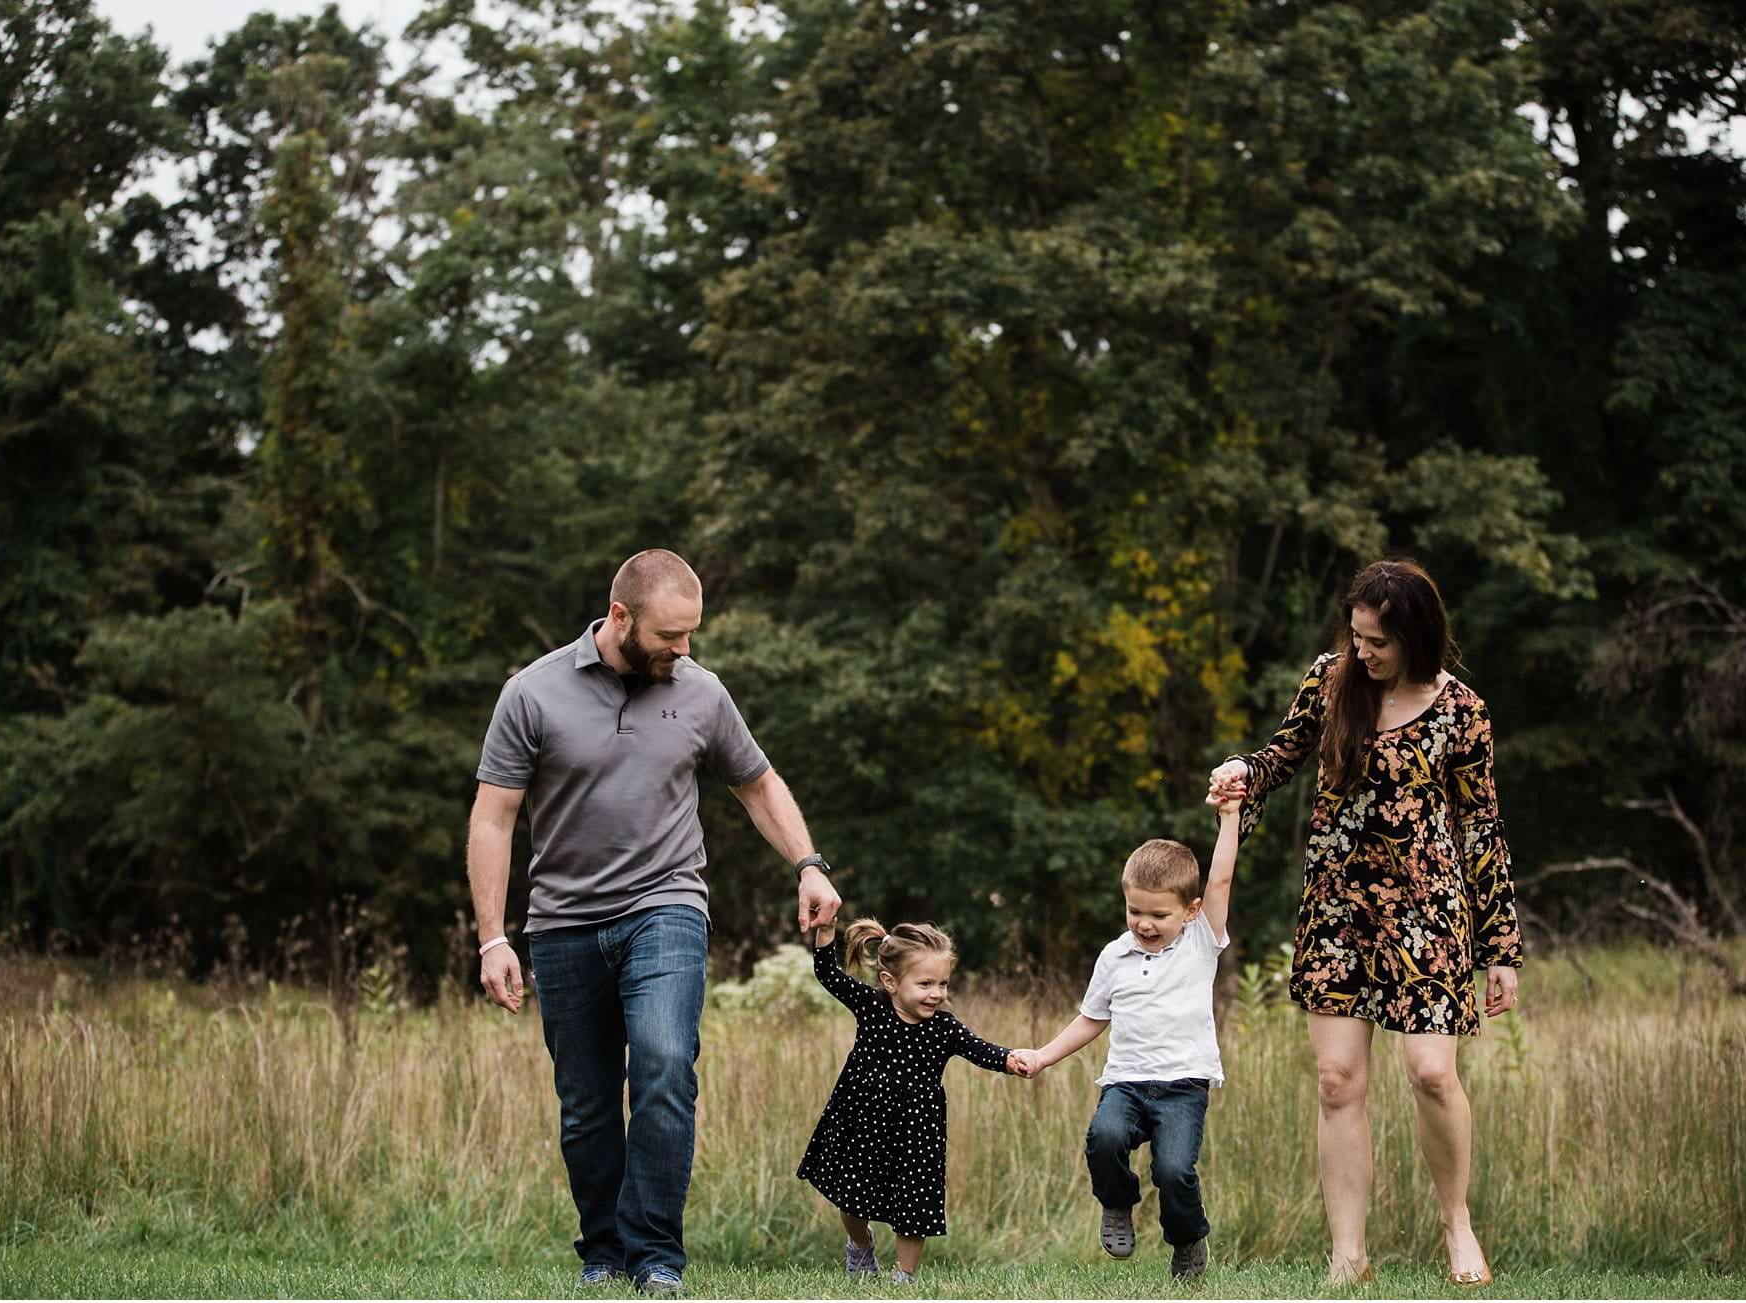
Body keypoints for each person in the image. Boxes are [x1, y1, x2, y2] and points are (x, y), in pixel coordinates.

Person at [466, 548, 842, 1296]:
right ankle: (603, 1248)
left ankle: (657, 1255)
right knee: (587, 1103)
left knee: (666, 1063)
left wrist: (808, 862)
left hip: (665, 906)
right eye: (671, 635)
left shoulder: (700, 693)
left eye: (692, 634)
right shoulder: (532, 694)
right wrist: (494, 936)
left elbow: (757, 783)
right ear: (620, 617)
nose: (685, 649)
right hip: (563, 922)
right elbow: (493, 817)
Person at [1207, 557, 1522, 1290]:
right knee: (1337, 1079)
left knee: (1433, 1073)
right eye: (1356, 637)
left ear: (1416, 635)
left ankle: (1457, 1224)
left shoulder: (1462, 710)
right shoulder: (1330, 679)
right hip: (1338, 906)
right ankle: (1348, 1254)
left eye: (1377, 641)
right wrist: (1239, 772)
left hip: (1429, 912)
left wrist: (1500, 944)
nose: (1364, 652)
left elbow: (1481, 826)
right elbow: (1279, 756)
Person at [1007, 806, 1242, 1283]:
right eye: (1135, 911)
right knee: (1105, 1137)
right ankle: (1116, 1204)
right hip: (1126, 1084)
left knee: (1175, 1171)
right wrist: (1043, 1056)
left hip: (1183, 1086)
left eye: (1159, 914)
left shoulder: (1201, 942)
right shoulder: (1114, 956)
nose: (1145, 924)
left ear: (1190, 911)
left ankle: (1187, 1239)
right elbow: (1091, 1019)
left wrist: (1231, 815)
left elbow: (1219, 882)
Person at [798, 916, 1028, 1284]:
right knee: (852, 1197)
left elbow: (978, 1049)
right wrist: (825, 935)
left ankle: (904, 1276)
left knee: (915, 1206)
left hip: (917, 1131)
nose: (936, 993)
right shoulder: (872, 1007)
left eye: (942, 984)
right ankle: (860, 1245)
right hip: (863, 1121)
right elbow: (830, 977)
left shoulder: (944, 1028)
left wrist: (1009, 1059)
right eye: (925, 984)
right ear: (891, 982)